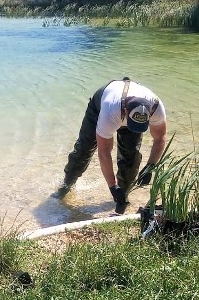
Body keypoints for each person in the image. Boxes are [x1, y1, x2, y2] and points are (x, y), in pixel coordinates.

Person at [58, 78, 168, 214]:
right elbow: (104, 152)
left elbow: (160, 139)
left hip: (126, 109)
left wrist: (150, 167)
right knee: (84, 150)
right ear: (126, 112)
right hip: (100, 106)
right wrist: (112, 186)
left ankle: (123, 198)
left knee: (131, 159)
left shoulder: (156, 107)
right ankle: (66, 185)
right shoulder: (110, 110)